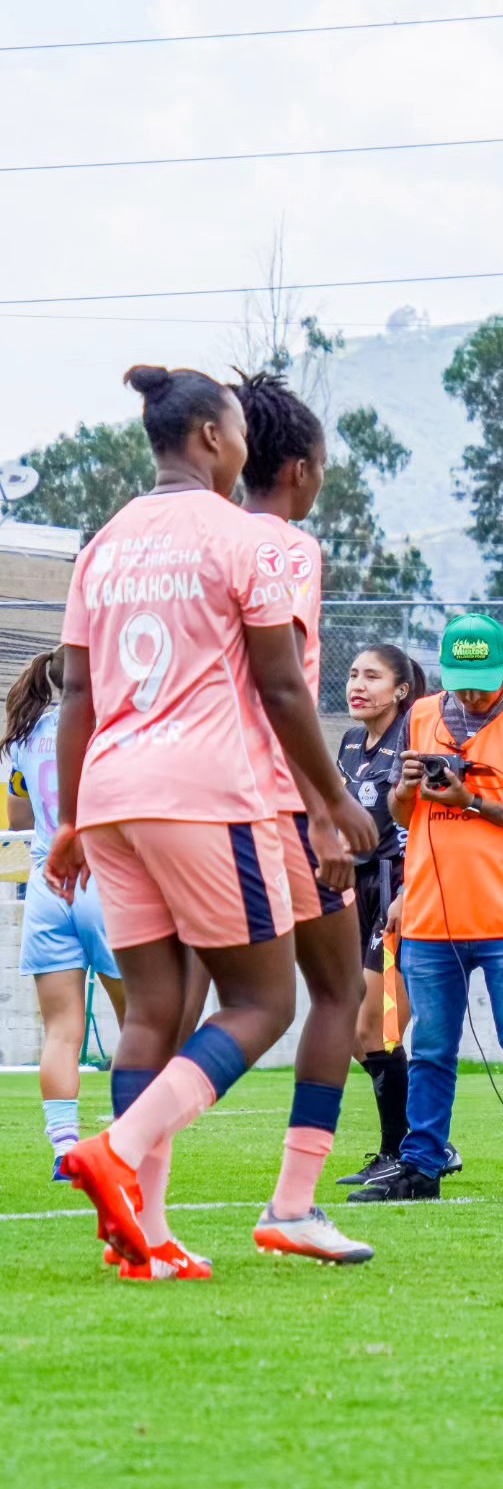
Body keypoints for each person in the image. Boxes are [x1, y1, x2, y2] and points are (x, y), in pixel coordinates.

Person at [49, 364, 375, 1280]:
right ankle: (123, 1153)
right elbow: (282, 684)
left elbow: (75, 690)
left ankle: (145, 1236)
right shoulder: (251, 539)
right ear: (208, 438)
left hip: (111, 795)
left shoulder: (103, 542)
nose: (241, 445)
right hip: (212, 792)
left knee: (156, 1006)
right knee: (267, 1001)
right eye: (231, 430)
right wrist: (332, 801)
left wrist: (71, 819)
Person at [352, 612, 503, 1207]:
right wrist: (407, 792)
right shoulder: (423, 715)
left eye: (482, 678)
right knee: (428, 1048)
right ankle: (420, 1166)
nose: (471, 692)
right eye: (459, 679)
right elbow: (407, 818)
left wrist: (472, 800)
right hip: (432, 915)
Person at [234, 370, 376, 1265]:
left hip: (172, 796)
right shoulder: (286, 548)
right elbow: (281, 684)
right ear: (296, 469)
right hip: (271, 796)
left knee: (178, 1000)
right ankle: (293, 1201)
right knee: (333, 988)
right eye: (321, 468)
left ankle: (135, 1187)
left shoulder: (176, 538)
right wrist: (331, 806)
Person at [4, 647, 125, 1177]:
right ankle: (128, 1145)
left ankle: (64, 1150)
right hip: (106, 881)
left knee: (61, 1031)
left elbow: (19, 817)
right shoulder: (114, 730)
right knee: (143, 1023)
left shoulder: (23, 736)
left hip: (49, 888)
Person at [330, 643, 441, 1186]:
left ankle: (404, 1152)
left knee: (377, 1025)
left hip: (398, 889)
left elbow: (421, 825)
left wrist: (409, 889)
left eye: (372, 676)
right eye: (353, 674)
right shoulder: (351, 742)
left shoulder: (413, 739)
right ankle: (424, 1139)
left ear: (401, 690)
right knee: (356, 1033)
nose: (358, 684)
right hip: (353, 890)